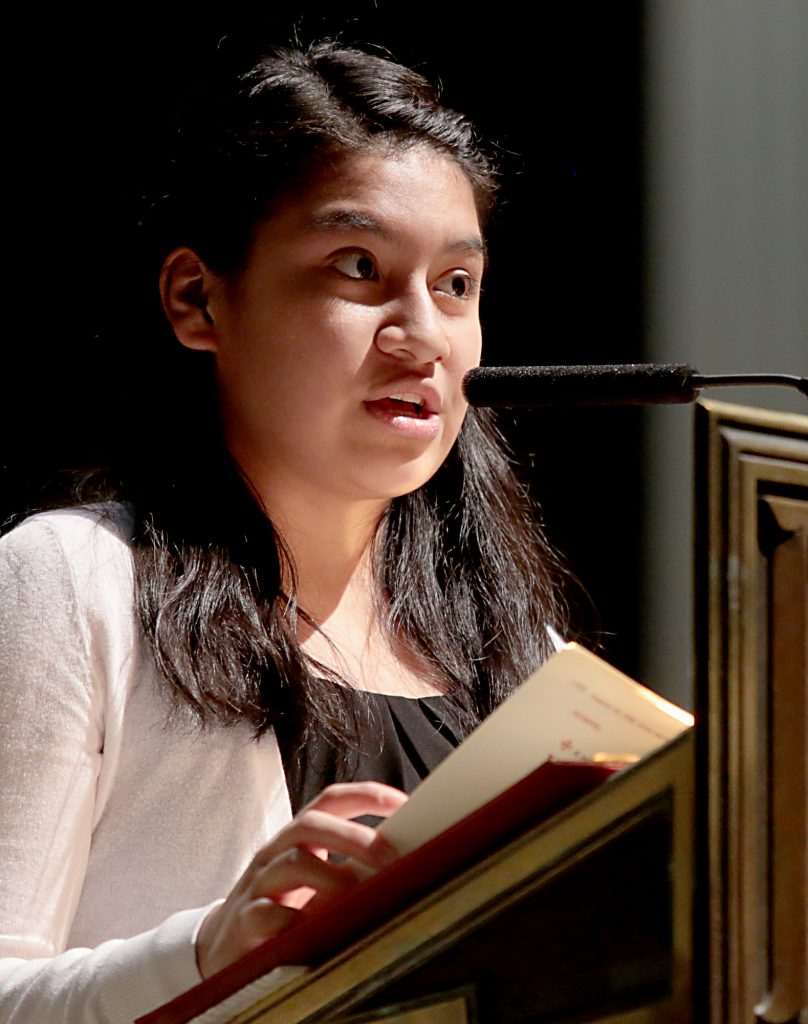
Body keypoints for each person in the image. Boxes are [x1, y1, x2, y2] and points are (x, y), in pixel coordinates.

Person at [0, 40, 567, 1023]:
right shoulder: (71, 580)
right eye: (360, 268)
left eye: (456, 284)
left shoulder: (520, 653)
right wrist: (209, 950)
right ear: (196, 298)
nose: (422, 333)